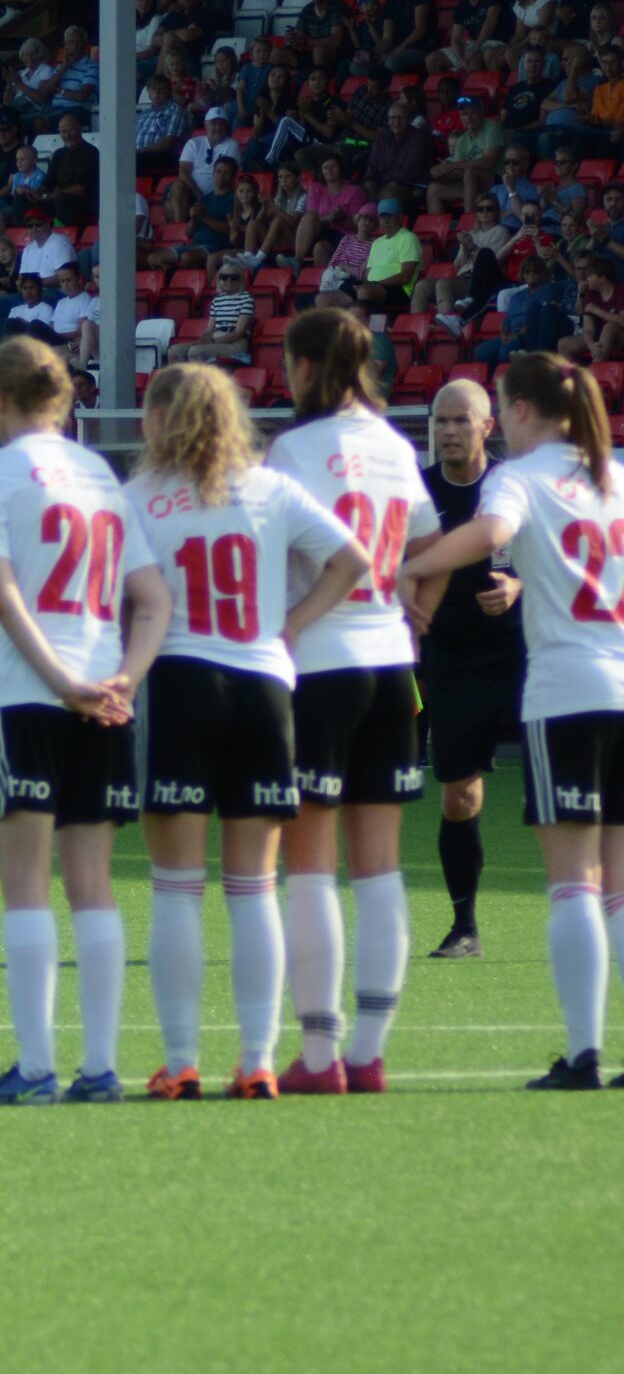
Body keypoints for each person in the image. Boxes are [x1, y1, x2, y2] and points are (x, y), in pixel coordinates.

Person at [130, 363, 371, 1100]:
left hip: (179, 685)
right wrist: (294, 624)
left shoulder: (138, 496)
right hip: (266, 687)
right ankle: (260, 1060)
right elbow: (354, 560)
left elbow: (122, 595)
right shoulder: (272, 488)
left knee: (176, 888)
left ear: (162, 420)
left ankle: (180, 1063)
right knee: (253, 888)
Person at [399, 355, 624, 1088]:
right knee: (618, 886)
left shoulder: (518, 477)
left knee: (573, 885)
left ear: (517, 413)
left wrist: (410, 570)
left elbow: (491, 528)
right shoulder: (613, 475)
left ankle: (585, 1055)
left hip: (563, 692)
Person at [0, 339, 171, 1103]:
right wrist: (121, 679)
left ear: (2, 398)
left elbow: (4, 596)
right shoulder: (102, 478)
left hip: (28, 695)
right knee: (95, 888)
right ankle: (102, 1068)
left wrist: (61, 681)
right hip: (107, 695)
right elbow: (154, 600)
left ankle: (37, 1067)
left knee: (25, 888)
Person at [260, 310, 444, 1095]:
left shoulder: (295, 450)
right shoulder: (397, 445)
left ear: (307, 366)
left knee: (309, 869)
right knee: (379, 870)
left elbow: (273, 554)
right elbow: (432, 546)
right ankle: (369, 1052)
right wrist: (419, 609)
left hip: (320, 665)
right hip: (389, 663)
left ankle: (319, 1053)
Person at [413, 380, 527, 960]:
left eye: (461, 421)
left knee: (577, 788)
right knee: (459, 795)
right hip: (454, 662)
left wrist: (519, 582)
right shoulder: (418, 493)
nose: (449, 432)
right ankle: (464, 928)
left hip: (526, 657)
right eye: (440, 422)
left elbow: (559, 557)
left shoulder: (513, 486)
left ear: (488, 426)